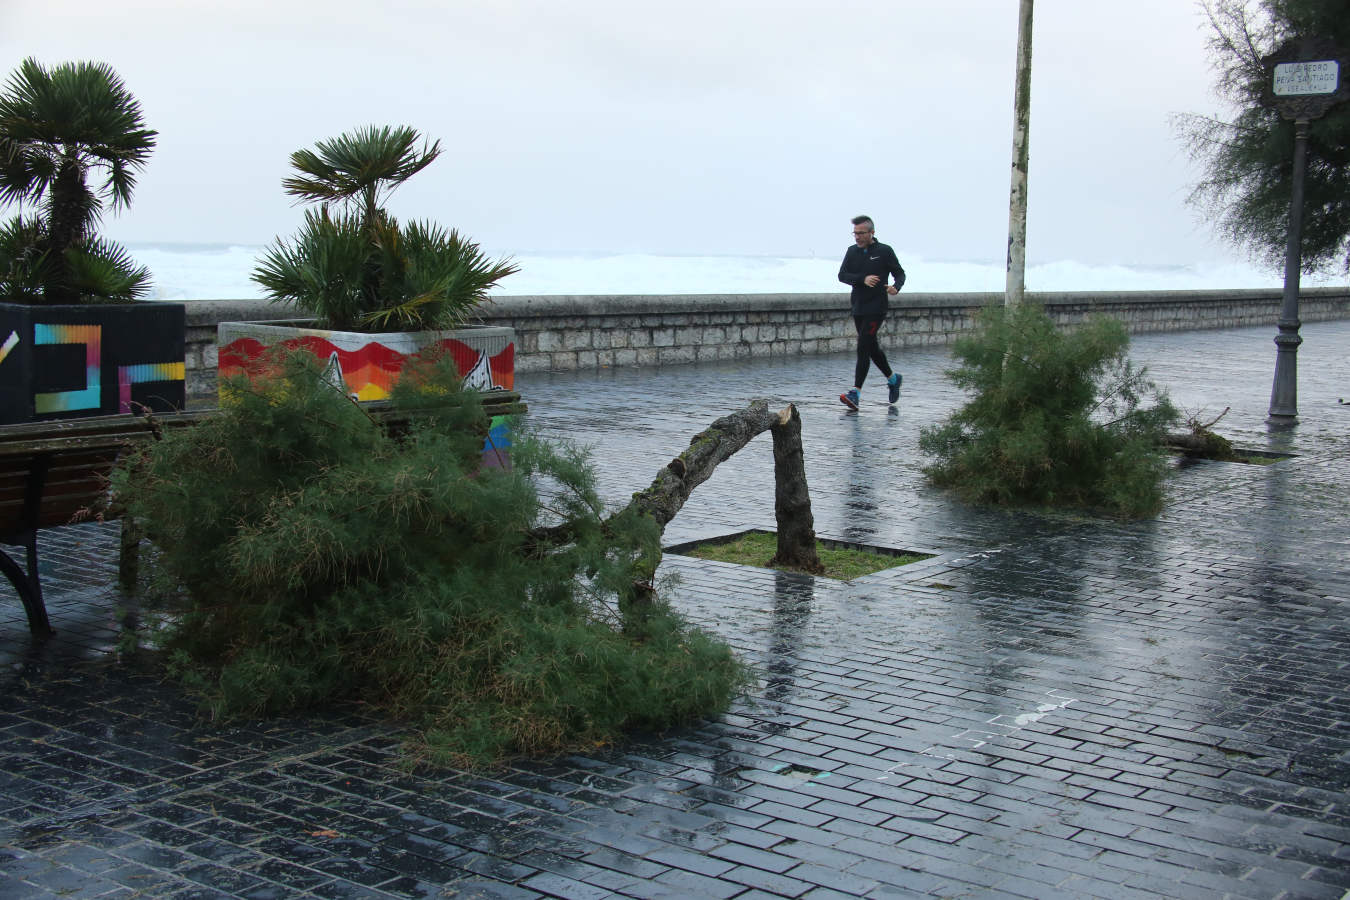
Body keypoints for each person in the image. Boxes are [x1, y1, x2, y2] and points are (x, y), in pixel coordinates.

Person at [837, 215, 905, 410]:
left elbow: (900, 273)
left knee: (863, 346)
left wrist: (896, 287)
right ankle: (893, 379)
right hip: (858, 306)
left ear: (872, 233)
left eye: (861, 233)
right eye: (855, 233)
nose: (857, 237)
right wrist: (862, 279)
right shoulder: (852, 252)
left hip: (877, 308)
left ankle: (855, 393)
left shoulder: (884, 251)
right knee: (871, 347)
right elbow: (842, 275)